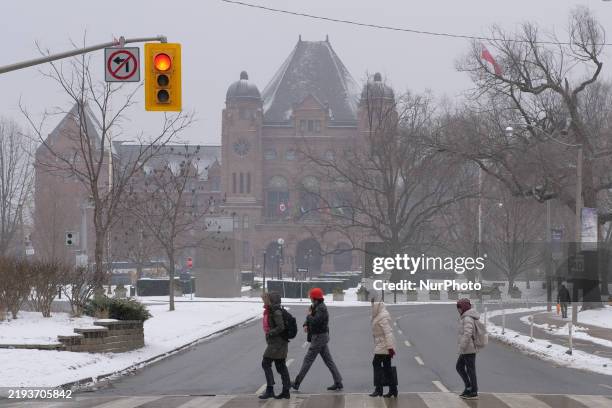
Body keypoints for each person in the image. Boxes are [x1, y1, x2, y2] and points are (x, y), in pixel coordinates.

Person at [292, 287, 343, 391]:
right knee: (329, 361)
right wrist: (305, 324)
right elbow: (309, 319)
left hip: (319, 337)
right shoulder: (315, 306)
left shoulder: (321, 308)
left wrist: (309, 316)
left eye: (311, 297)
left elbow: (316, 321)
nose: (310, 298)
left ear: (314, 298)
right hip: (320, 337)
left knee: (308, 360)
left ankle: (297, 383)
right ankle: (338, 382)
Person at [259, 292, 291, 400]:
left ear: (271, 300)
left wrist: (270, 333)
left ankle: (270, 389)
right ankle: (286, 391)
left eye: (265, 299)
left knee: (266, 363)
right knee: (280, 366)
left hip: (277, 343)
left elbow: (280, 327)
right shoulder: (271, 310)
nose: (263, 301)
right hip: (278, 342)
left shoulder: (276, 311)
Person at [369, 299, 397, 398]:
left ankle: (378, 389)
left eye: (373, 306)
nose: (371, 308)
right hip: (382, 344)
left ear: (377, 307)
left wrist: (390, 348)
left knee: (376, 363)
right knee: (387, 368)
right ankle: (393, 390)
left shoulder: (382, 318)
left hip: (384, 345)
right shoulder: (378, 315)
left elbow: (388, 333)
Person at [456, 298, 480, 400]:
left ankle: (473, 391)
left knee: (470, 370)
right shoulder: (465, 317)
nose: (458, 310)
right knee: (460, 367)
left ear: (464, 307)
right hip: (467, 348)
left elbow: (468, 333)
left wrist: (462, 346)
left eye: (459, 307)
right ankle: (469, 387)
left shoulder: (467, 318)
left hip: (468, 348)